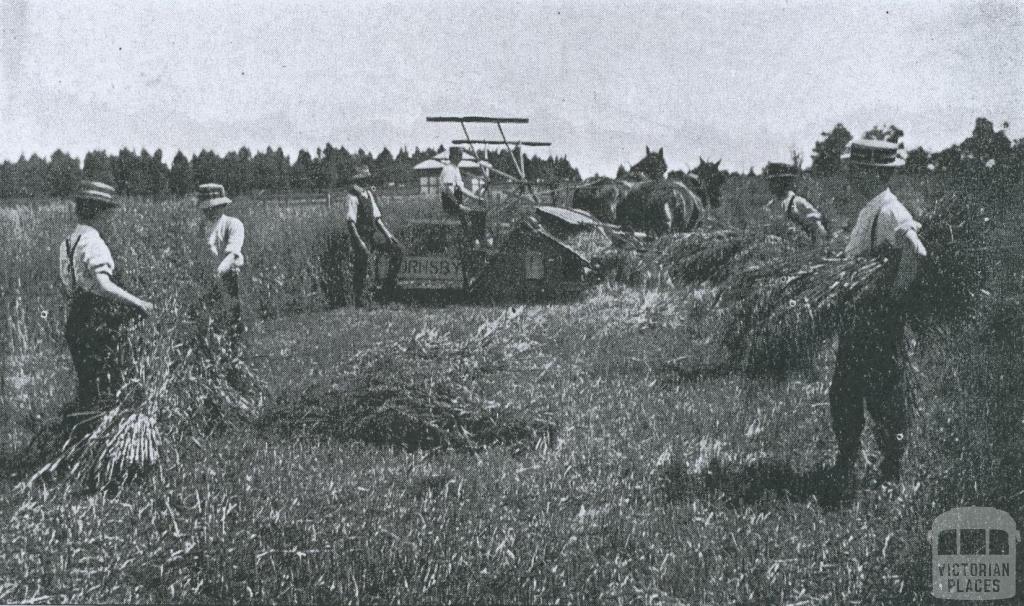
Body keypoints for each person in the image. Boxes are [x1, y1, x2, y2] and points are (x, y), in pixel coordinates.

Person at [829, 139, 927, 486]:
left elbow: (916, 252)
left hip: (876, 324)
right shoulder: (872, 208)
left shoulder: (890, 211)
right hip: (859, 322)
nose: (850, 175)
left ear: (871, 173)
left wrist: (893, 299)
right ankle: (849, 459)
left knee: (884, 397)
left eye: (854, 170)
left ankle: (891, 471)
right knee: (845, 393)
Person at [59, 181, 153, 439]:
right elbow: (103, 285)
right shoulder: (93, 242)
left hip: (75, 319)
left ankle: (82, 438)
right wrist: (139, 303)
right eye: (108, 212)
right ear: (98, 211)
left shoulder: (67, 243)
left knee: (87, 384)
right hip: (96, 320)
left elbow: (67, 288)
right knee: (104, 382)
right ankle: (101, 439)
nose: (110, 218)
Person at [195, 183, 246, 361]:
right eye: (206, 208)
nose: (210, 212)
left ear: (222, 205)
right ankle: (213, 357)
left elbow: (232, 255)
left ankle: (235, 357)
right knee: (209, 322)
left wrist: (217, 274)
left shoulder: (232, 224)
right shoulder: (201, 227)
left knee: (232, 320)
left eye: (214, 207)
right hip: (208, 279)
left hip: (230, 279)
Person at [344, 165, 403, 306]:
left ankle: (387, 288)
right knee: (362, 263)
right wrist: (360, 243)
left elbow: (377, 219)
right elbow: (351, 223)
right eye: (365, 178)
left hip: (373, 234)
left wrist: (388, 236)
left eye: (367, 178)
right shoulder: (352, 196)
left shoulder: (368, 194)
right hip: (361, 236)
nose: (367, 181)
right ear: (359, 180)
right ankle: (360, 299)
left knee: (397, 249)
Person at [762, 162, 828, 245]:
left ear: (784, 182)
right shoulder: (770, 206)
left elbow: (818, 227)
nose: (770, 185)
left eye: (774, 181)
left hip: (799, 246)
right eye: (770, 181)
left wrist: (817, 246)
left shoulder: (797, 202)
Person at [439, 146, 486, 246]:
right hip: (450, 204)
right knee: (478, 214)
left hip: (455, 203)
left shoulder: (455, 169)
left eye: (461, 155)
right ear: (452, 156)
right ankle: (475, 240)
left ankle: (476, 239)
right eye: (458, 155)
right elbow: (448, 190)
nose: (460, 157)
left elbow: (462, 189)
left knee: (480, 212)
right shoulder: (449, 169)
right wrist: (458, 205)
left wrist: (477, 198)